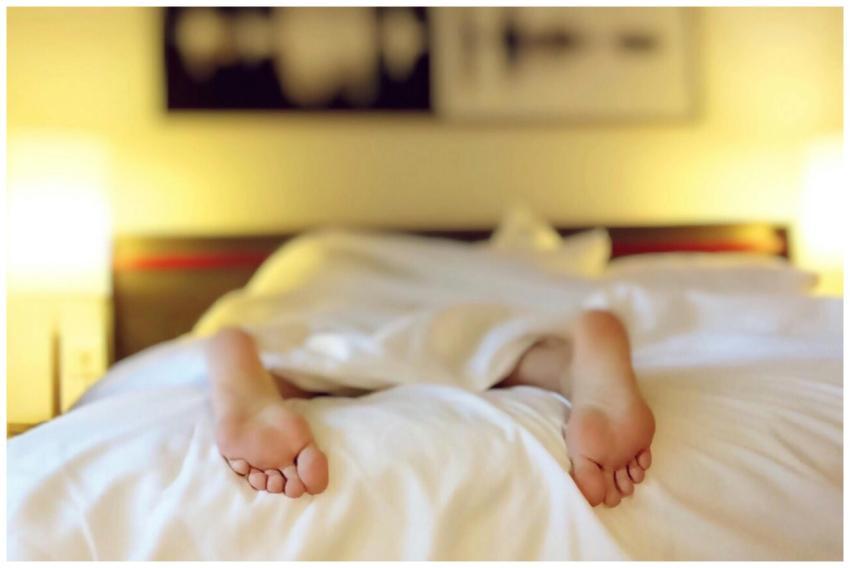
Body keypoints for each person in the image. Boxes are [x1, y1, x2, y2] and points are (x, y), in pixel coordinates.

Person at [207, 308, 655, 508]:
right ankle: (576, 365)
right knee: (510, 354)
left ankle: (247, 371)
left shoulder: (324, 267)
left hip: (332, 326)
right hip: (478, 320)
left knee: (310, 359)